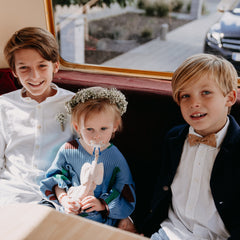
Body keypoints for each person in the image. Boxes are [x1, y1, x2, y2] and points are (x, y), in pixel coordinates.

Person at [135, 53, 240, 240]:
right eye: (185, 96)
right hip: (171, 232)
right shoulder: (173, 138)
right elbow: (157, 186)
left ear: (230, 97)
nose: (194, 103)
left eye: (206, 92)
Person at [40, 86, 136, 226]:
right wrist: (64, 199)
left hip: (98, 219)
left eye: (103, 129)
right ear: (78, 128)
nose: (97, 135)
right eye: (89, 129)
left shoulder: (116, 158)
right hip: (67, 212)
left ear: (114, 126)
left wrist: (101, 204)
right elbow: (55, 179)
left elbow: (125, 192)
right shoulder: (68, 150)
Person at [0, 27, 74, 205]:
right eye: (24, 68)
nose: (35, 76)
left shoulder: (75, 104)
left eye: (42, 66)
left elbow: (93, 151)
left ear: (55, 66)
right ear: (14, 72)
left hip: (61, 195)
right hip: (12, 193)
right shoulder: (3, 105)